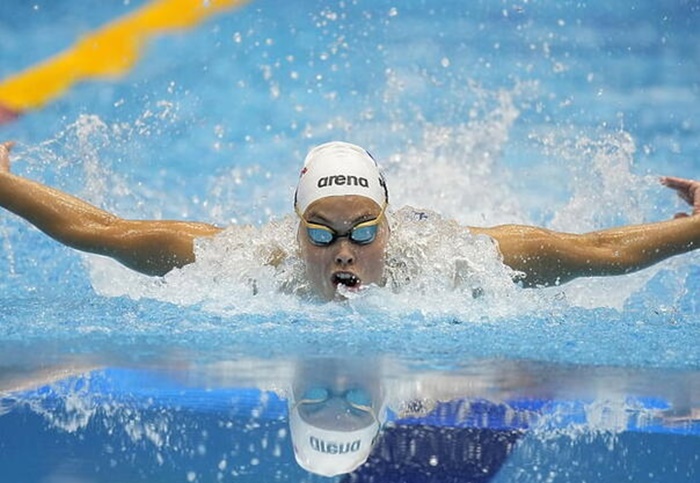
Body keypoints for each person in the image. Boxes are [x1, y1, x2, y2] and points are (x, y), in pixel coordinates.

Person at [1, 140, 699, 300]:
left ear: (389, 226)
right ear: (294, 229)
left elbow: (597, 249)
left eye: (364, 229)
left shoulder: (455, 259)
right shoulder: (248, 263)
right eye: (322, 230)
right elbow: (102, 230)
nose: (344, 250)